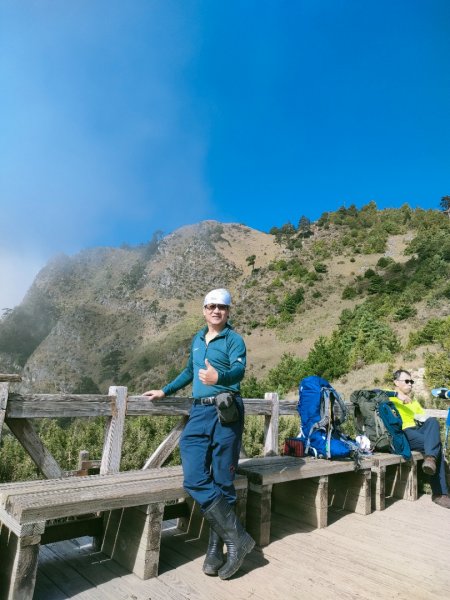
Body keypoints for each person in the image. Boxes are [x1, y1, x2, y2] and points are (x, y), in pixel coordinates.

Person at [142, 288, 255, 579]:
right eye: (211, 306)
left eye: (222, 307)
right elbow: (189, 372)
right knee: (194, 477)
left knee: (223, 479)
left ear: (228, 312)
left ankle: (216, 549)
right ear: (203, 310)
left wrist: (221, 377)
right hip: (200, 412)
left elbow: (239, 373)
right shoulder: (197, 339)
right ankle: (237, 537)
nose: (216, 311)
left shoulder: (234, 340)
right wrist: (165, 390)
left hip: (226, 410)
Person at [388, 369, 450, 509]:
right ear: (396, 382)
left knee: (432, 421)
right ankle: (440, 494)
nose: (410, 384)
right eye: (407, 381)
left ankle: (430, 459)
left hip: (416, 431)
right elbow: (370, 393)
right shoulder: (388, 395)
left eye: (411, 381)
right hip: (402, 433)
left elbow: (423, 418)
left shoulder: (413, 401)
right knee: (436, 447)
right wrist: (396, 395)